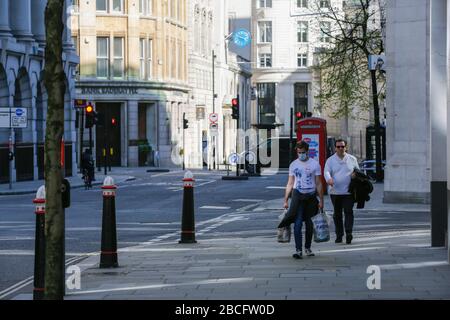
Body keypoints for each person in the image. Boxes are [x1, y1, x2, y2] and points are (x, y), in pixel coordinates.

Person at [283, 140, 324, 259]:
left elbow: (319, 183)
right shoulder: (293, 164)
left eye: (303, 152)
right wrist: (286, 200)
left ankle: (308, 247)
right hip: (297, 196)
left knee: (310, 224)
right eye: (299, 152)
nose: (301, 154)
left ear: (308, 152)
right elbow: (290, 183)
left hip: (311, 196)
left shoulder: (315, 164)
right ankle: (298, 250)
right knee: (298, 223)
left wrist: (321, 201)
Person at [324, 139, 360, 244]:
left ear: (346, 147)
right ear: (335, 148)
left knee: (348, 212)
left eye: (342, 146)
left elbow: (358, 171)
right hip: (335, 192)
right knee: (337, 214)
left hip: (349, 192)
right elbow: (326, 171)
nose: (340, 148)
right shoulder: (330, 160)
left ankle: (349, 233)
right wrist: (329, 179)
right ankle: (339, 235)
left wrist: (355, 175)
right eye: (338, 147)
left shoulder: (352, 159)